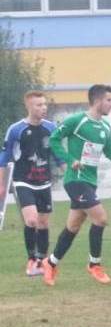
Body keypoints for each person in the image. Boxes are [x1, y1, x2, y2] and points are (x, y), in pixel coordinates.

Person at [42, 84, 111, 286]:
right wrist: (69, 160)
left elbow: (110, 151)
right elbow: (55, 139)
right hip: (75, 180)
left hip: (90, 182)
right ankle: (94, 265)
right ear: (98, 101)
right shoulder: (77, 121)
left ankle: (50, 263)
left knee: (73, 226)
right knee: (100, 218)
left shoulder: (105, 127)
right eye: (109, 100)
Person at [0, 91, 58, 276]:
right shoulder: (16, 129)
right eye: (38, 105)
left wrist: (68, 169)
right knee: (32, 220)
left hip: (44, 182)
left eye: (44, 104)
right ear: (29, 107)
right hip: (23, 181)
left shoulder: (51, 128)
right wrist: (1, 184)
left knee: (43, 223)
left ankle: (42, 260)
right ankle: (32, 259)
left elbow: (57, 153)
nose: (43, 108)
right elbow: (4, 158)